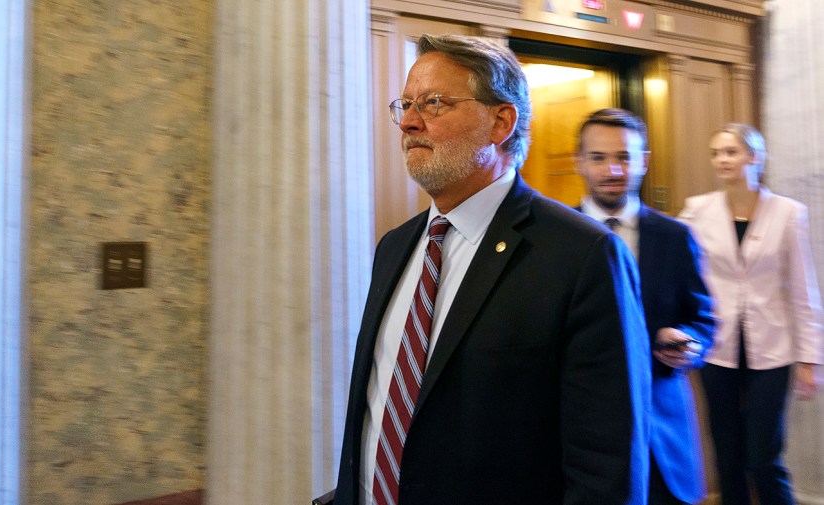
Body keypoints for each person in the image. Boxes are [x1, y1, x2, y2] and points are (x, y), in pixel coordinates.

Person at [333, 34, 651, 505]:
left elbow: (606, 463)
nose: (409, 122)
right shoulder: (395, 247)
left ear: (501, 121)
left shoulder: (583, 256)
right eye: (404, 104)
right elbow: (376, 411)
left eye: (434, 103)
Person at [574, 108, 716, 505]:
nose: (613, 170)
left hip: (661, 434)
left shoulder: (675, 237)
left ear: (644, 162)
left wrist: (689, 340)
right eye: (599, 158)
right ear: (580, 162)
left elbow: (704, 319)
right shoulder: (557, 236)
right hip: (582, 438)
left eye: (624, 157)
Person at [678, 123, 823, 505]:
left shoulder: (789, 213)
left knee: (762, 456)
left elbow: (803, 289)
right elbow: (675, 264)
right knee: (726, 453)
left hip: (774, 350)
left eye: (730, 152)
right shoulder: (696, 211)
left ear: (754, 157)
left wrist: (810, 359)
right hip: (717, 348)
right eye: (716, 153)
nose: (721, 161)